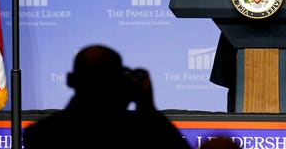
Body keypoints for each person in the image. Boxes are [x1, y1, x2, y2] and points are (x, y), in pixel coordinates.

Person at [22, 44, 191, 149]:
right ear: (121, 82)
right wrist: (148, 106)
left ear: (70, 80)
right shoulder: (144, 132)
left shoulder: (40, 134)